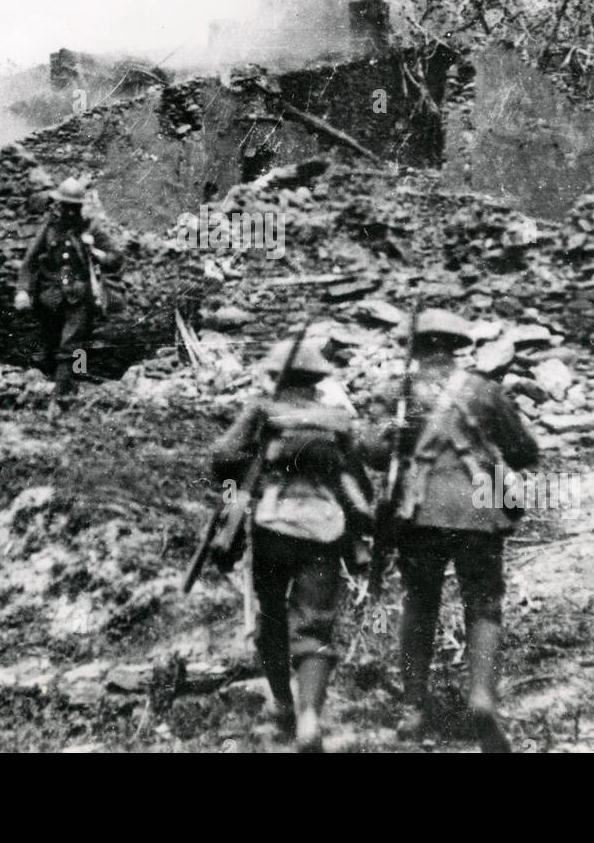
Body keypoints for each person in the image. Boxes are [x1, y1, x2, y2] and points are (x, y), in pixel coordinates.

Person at [370, 308, 540, 752]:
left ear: (417, 346)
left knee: (419, 603)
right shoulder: (484, 391)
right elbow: (524, 452)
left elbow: (373, 451)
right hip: (479, 513)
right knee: (484, 604)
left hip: (419, 513)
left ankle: (413, 710)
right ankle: (482, 699)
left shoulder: (397, 393)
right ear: (456, 345)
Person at [209, 337, 373, 753]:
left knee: (269, 615)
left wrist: (244, 474)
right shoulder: (337, 418)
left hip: (271, 525)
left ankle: (282, 702)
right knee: (314, 625)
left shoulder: (263, 410)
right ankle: (310, 717)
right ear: (316, 380)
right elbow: (359, 481)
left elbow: (222, 456)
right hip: (325, 528)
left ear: (276, 376)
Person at [15, 176, 118, 413]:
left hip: (79, 296)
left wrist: (96, 251)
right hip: (50, 296)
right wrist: (22, 291)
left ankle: (58, 399)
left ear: (80, 207)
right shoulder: (49, 229)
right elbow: (28, 262)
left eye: (74, 207)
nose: (69, 212)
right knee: (55, 346)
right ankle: (70, 384)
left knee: (71, 344)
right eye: (65, 206)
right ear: (59, 205)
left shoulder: (91, 229)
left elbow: (116, 258)